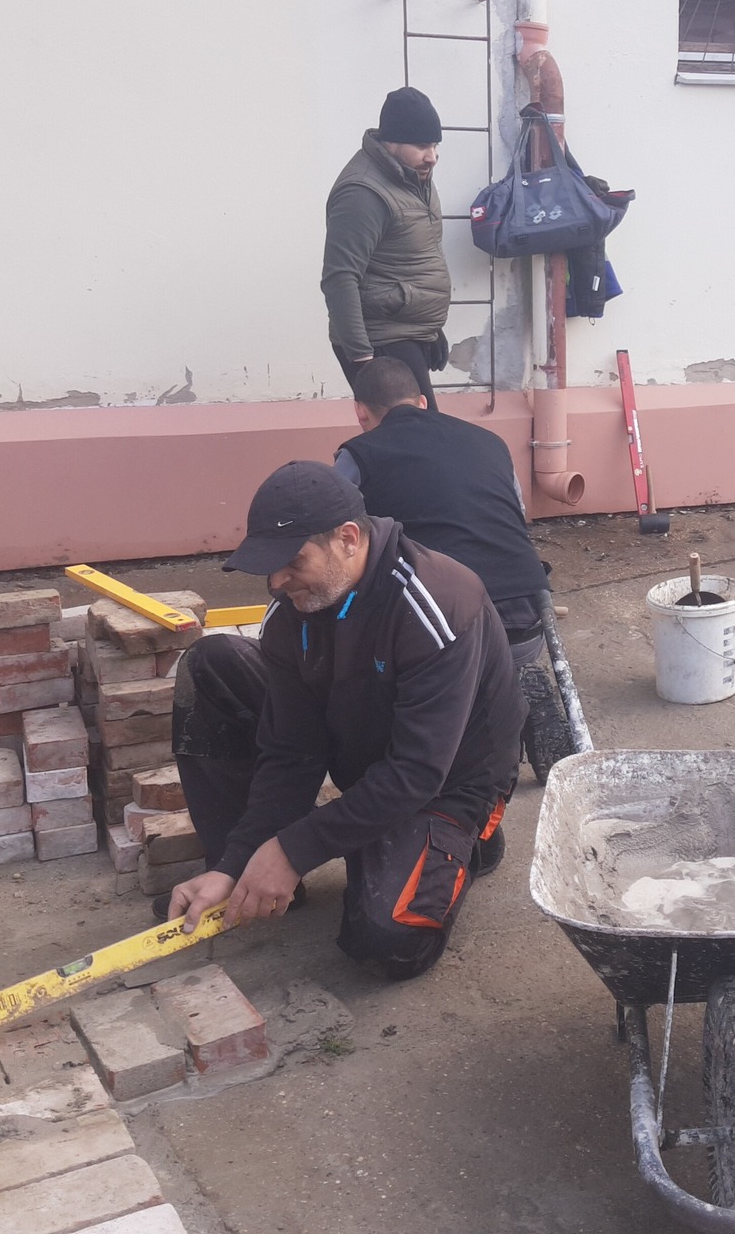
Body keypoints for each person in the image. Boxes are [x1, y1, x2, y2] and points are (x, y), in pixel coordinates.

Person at [165, 461, 526, 980]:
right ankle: (249, 883)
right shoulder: (293, 608)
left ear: (348, 539)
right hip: (365, 746)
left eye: (293, 561)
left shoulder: (437, 602)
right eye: (269, 566)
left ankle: (467, 842)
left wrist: (295, 849)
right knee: (211, 664)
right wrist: (238, 859)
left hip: (450, 780)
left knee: (385, 940)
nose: (276, 582)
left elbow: (417, 772)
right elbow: (291, 749)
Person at [334, 358, 568, 769]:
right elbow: (515, 514)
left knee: (410, 668)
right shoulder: (489, 441)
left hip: (445, 628)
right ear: (422, 401)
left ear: (360, 412)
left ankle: (474, 710)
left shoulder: (357, 456)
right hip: (527, 615)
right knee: (486, 665)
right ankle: (514, 684)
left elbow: (339, 543)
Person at [321, 86, 451, 410]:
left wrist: (430, 331)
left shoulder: (413, 177)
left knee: (417, 432)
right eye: (422, 146)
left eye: (435, 145)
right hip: (380, 340)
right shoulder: (363, 193)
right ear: (391, 142)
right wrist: (363, 360)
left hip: (406, 332)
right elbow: (340, 278)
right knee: (417, 435)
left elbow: (413, 257)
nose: (432, 156)